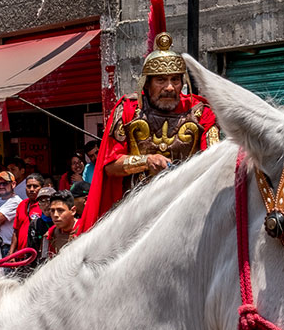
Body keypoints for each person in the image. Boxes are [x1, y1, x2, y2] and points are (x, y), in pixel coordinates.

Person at [77, 27, 220, 232]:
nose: (170, 87)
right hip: (135, 214)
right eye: (161, 80)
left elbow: (214, 160)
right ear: (147, 83)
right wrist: (146, 161)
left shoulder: (202, 113)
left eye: (175, 80)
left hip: (187, 211)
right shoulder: (127, 110)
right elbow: (110, 165)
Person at [0, 170, 22, 256]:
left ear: (13, 184)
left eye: (5, 183)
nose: (1, 186)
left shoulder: (15, 201)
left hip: (6, 248)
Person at [12, 172, 45, 251]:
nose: (31, 189)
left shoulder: (46, 206)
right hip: (21, 255)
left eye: (35, 186)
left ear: (42, 188)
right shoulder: (22, 205)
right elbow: (15, 231)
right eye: (29, 186)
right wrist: (11, 254)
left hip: (37, 254)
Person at [43, 190, 78, 258]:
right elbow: (46, 260)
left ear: (73, 211)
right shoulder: (51, 234)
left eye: (60, 210)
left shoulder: (86, 229)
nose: (55, 215)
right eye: (52, 211)